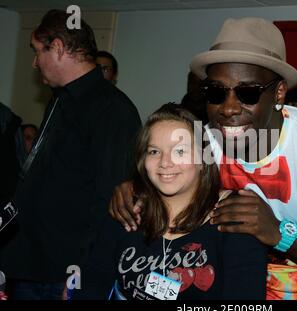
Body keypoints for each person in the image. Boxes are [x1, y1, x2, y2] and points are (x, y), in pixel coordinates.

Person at [110, 17, 297, 300]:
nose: (229, 109)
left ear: (279, 91)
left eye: (248, 93)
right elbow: (165, 173)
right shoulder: (206, 142)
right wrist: (133, 187)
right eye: (216, 92)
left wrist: (281, 234)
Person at [0, 9, 141, 300]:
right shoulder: (60, 99)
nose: (35, 63)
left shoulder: (112, 108)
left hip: (62, 273)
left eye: (38, 52)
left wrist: (83, 273)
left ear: (59, 48)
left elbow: (110, 200)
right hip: (29, 262)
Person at [73, 104, 267, 300]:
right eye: (154, 152)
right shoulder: (128, 210)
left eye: (180, 151)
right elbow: (91, 279)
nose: (165, 163)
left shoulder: (235, 219)